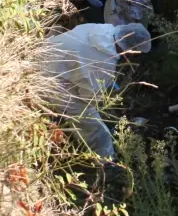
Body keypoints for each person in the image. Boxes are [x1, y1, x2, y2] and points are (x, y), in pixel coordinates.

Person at [39, 22, 153, 158]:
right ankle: (106, 160)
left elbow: (84, 66)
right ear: (131, 50)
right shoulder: (105, 63)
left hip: (42, 53)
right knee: (94, 125)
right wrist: (104, 104)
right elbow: (88, 98)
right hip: (46, 79)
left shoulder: (100, 28)